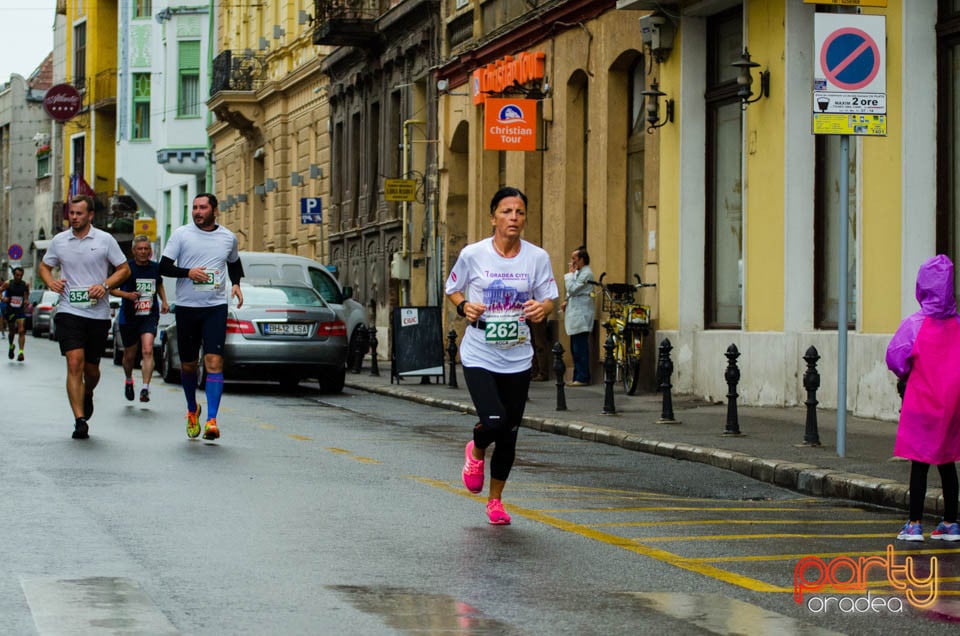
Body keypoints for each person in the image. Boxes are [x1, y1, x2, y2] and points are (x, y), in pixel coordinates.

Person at [445, 186, 558, 525]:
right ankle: (476, 449)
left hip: (518, 355)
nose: (514, 217)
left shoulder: (536, 257)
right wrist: (465, 306)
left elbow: (549, 297)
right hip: (479, 352)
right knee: (495, 420)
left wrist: (542, 308)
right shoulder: (473, 254)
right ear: (493, 217)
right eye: (507, 211)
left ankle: (495, 502)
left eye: (520, 212)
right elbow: (452, 289)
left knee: (510, 433)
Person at [39, 195, 131, 439]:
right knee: (74, 362)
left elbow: (124, 269)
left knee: (91, 370)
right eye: (72, 213)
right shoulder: (60, 241)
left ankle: (87, 392)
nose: (74, 217)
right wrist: (51, 282)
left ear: (90, 215)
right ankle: (80, 420)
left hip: (97, 314)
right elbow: (44, 266)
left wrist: (105, 285)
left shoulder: (105, 240)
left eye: (79, 213)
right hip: (70, 310)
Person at [885, 254, 960, 542]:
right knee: (947, 462)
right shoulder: (957, 324)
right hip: (951, 404)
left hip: (922, 401)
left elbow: (895, 357)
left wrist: (907, 373)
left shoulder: (915, 324)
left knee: (919, 462)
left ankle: (914, 523)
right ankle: (950, 522)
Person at [160, 193, 243, 441]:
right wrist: (188, 272)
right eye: (195, 207)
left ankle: (212, 420)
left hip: (215, 306)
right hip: (187, 307)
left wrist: (236, 284)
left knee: (214, 362)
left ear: (214, 210)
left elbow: (234, 263)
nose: (197, 211)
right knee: (188, 365)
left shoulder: (228, 238)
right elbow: (163, 267)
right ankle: (192, 409)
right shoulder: (182, 235)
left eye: (202, 207)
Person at [111, 235, 169, 403]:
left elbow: (158, 284)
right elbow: (111, 289)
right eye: (140, 249)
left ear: (150, 251)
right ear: (133, 251)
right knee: (129, 356)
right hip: (129, 316)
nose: (143, 252)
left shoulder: (155, 268)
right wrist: (127, 295)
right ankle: (129, 380)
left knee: (148, 349)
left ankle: (145, 388)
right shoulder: (125, 269)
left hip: (149, 315)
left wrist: (164, 301)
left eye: (146, 249)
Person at [560, 245, 595, 386]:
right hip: (575, 314)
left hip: (581, 315)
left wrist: (569, 275)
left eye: (574, 258)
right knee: (575, 348)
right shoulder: (579, 273)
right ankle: (577, 376)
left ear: (582, 259)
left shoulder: (586, 273)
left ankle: (582, 377)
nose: (572, 261)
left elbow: (573, 289)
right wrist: (565, 300)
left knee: (580, 348)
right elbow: (571, 292)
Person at [1, 267, 30, 361]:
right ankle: (11, 346)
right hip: (10, 310)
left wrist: (26, 300)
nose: (19, 277)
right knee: (12, 331)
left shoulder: (25, 284)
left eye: (21, 275)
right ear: (14, 275)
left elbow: (26, 294)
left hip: (20, 310)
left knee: (21, 330)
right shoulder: (8, 283)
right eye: (17, 275)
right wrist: (2, 299)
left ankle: (21, 352)